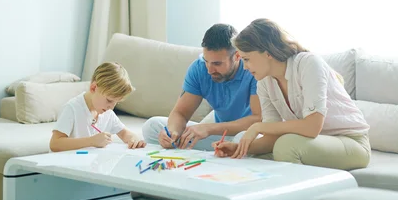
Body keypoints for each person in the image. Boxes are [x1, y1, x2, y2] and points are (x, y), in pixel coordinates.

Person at [214, 18, 370, 170]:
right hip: (312, 142)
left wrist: (257, 127)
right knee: (252, 156)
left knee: (286, 145)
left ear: (267, 53)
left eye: (247, 59)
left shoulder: (308, 63)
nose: (245, 67)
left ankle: (299, 196)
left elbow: (312, 127)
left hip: (351, 143)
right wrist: (239, 148)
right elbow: (272, 136)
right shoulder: (264, 82)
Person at [142, 23, 261, 151]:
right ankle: (224, 149)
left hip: (246, 132)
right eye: (206, 61)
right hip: (219, 131)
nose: (209, 70)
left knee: (243, 140)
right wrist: (172, 133)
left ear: (237, 56)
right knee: (152, 126)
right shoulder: (199, 68)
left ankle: (230, 148)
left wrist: (208, 128)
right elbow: (181, 113)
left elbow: (258, 118)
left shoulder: (252, 69)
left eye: (217, 63)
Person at [50, 62, 146, 152]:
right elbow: (55, 144)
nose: (111, 107)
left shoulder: (107, 113)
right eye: (109, 100)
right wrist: (91, 141)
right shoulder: (72, 108)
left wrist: (134, 139)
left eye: (116, 103)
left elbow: (124, 133)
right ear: (93, 88)